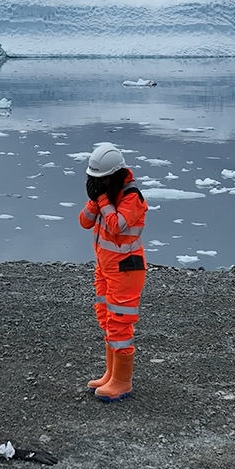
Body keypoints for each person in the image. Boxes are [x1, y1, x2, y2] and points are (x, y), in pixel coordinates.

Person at [77, 141, 147, 402]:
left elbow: (117, 225)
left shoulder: (132, 198)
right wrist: (95, 201)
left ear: (114, 176)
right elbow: (84, 222)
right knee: (107, 319)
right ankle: (111, 374)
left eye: (101, 180)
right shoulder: (107, 196)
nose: (97, 184)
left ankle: (122, 382)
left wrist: (103, 199)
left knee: (120, 324)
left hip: (127, 270)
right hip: (106, 268)